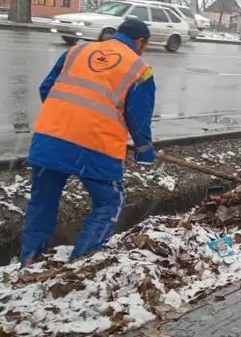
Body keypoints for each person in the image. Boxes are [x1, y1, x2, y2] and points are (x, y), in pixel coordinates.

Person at [20, 19, 157, 265]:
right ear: (140, 41)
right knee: (110, 201)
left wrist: (67, 118)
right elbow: (139, 117)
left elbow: (46, 89)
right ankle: (81, 264)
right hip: (96, 146)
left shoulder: (77, 51)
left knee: (42, 202)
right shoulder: (140, 68)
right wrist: (144, 147)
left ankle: (29, 259)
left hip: (50, 138)